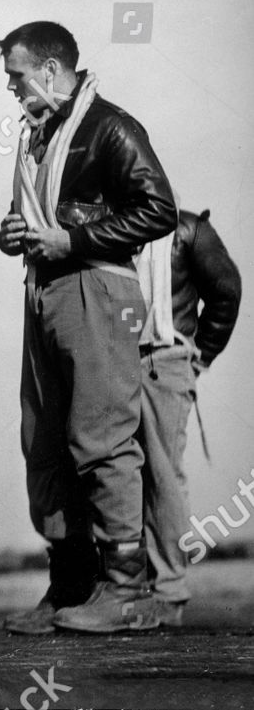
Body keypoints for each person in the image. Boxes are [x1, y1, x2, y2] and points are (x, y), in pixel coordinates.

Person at [0, 21, 177, 635]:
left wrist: (72, 238)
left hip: (96, 289)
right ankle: (71, 582)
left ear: (49, 70)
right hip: (43, 291)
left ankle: (127, 589)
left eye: (18, 77)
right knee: (44, 441)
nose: (13, 89)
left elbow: (158, 209)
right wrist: (13, 233)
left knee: (100, 435)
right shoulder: (37, 136)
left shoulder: (110, 126)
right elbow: (32, 211)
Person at [138, 204, 240, 624]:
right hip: (112, 364)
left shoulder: (190, 229)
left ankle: (168, 591)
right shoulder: (109, 226)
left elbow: (226, 290)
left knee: (163, 476)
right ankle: (126, 588)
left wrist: (200, 357)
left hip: (166, 361)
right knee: (117, 476)